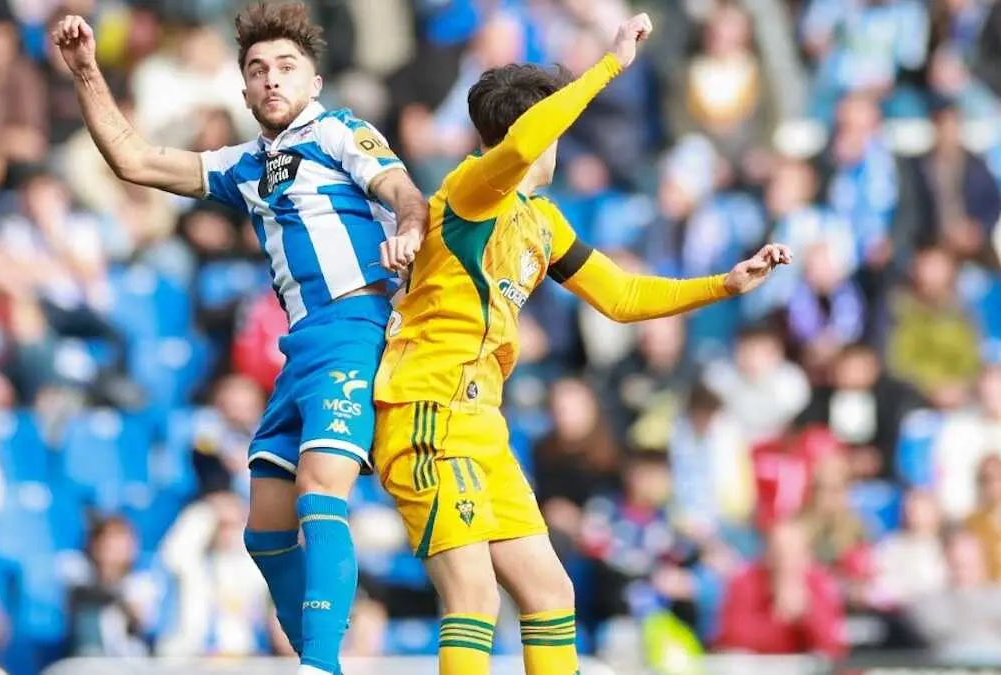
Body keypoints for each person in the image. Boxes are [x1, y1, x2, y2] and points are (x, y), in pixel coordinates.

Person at [371, 14, 793, 675]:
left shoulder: (541, 221)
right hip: (426, 410)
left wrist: (725, 284)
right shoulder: (472, 192)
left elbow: (622, 296)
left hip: (481, 426)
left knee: (550, 593)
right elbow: (521, 144)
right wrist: (609, 65)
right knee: (474, 596)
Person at [50, 6, 428, 675]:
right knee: (265, 530)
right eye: (257, 70)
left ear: (313, 81)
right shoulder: (246, 165)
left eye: (285, 67)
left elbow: (403, 190)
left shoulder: (339, 130)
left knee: (320, 491)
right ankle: (317, 656)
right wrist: (85, 72)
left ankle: (320, 664)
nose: (271, 79)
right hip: (300, 349)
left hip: (354, 327)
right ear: (244, 90)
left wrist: (408, 229)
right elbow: (134, 160)